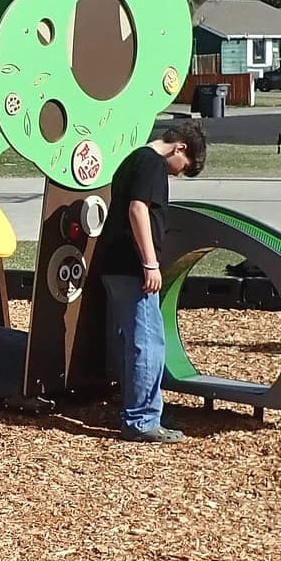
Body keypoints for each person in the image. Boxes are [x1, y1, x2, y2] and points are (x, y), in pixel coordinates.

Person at [95, 123, 207, 442]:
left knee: (133, 339)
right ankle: (142, 419)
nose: (177, 174)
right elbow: (138, 209)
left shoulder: (134, 159)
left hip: (114, 262)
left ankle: (137, 409)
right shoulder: (152, 163)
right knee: (148, 342)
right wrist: (150, 262)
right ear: (179, 148)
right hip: (133, 266)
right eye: (183, 168)